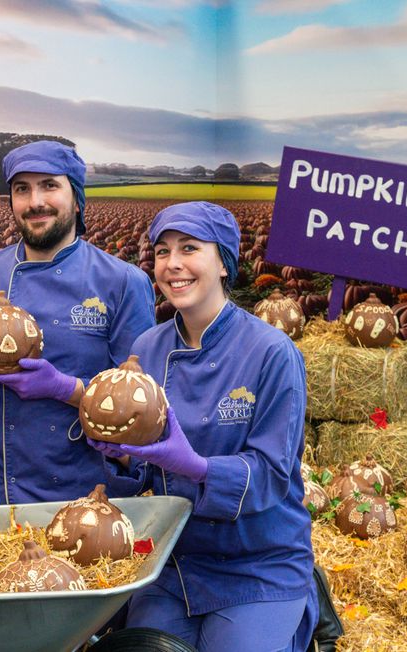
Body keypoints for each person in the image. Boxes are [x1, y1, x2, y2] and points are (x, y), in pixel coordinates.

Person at [88, 201, 318, 651]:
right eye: (161, 251)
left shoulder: (272, 352)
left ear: (224, 263)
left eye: (189, 248)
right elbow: (141, 472)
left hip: (259, 563)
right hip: (173, 564)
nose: (173, 264)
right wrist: (120, 456)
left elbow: (271, 474)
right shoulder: (147, 349)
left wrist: (198, 467)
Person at [0, 140, 155, 505]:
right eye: (22, 189)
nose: (35, 202)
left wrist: (64, 388)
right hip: (5, 492)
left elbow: (144, 405)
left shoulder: (122, 281)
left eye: (50, 185)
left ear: (77, 198)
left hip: (92, 496)